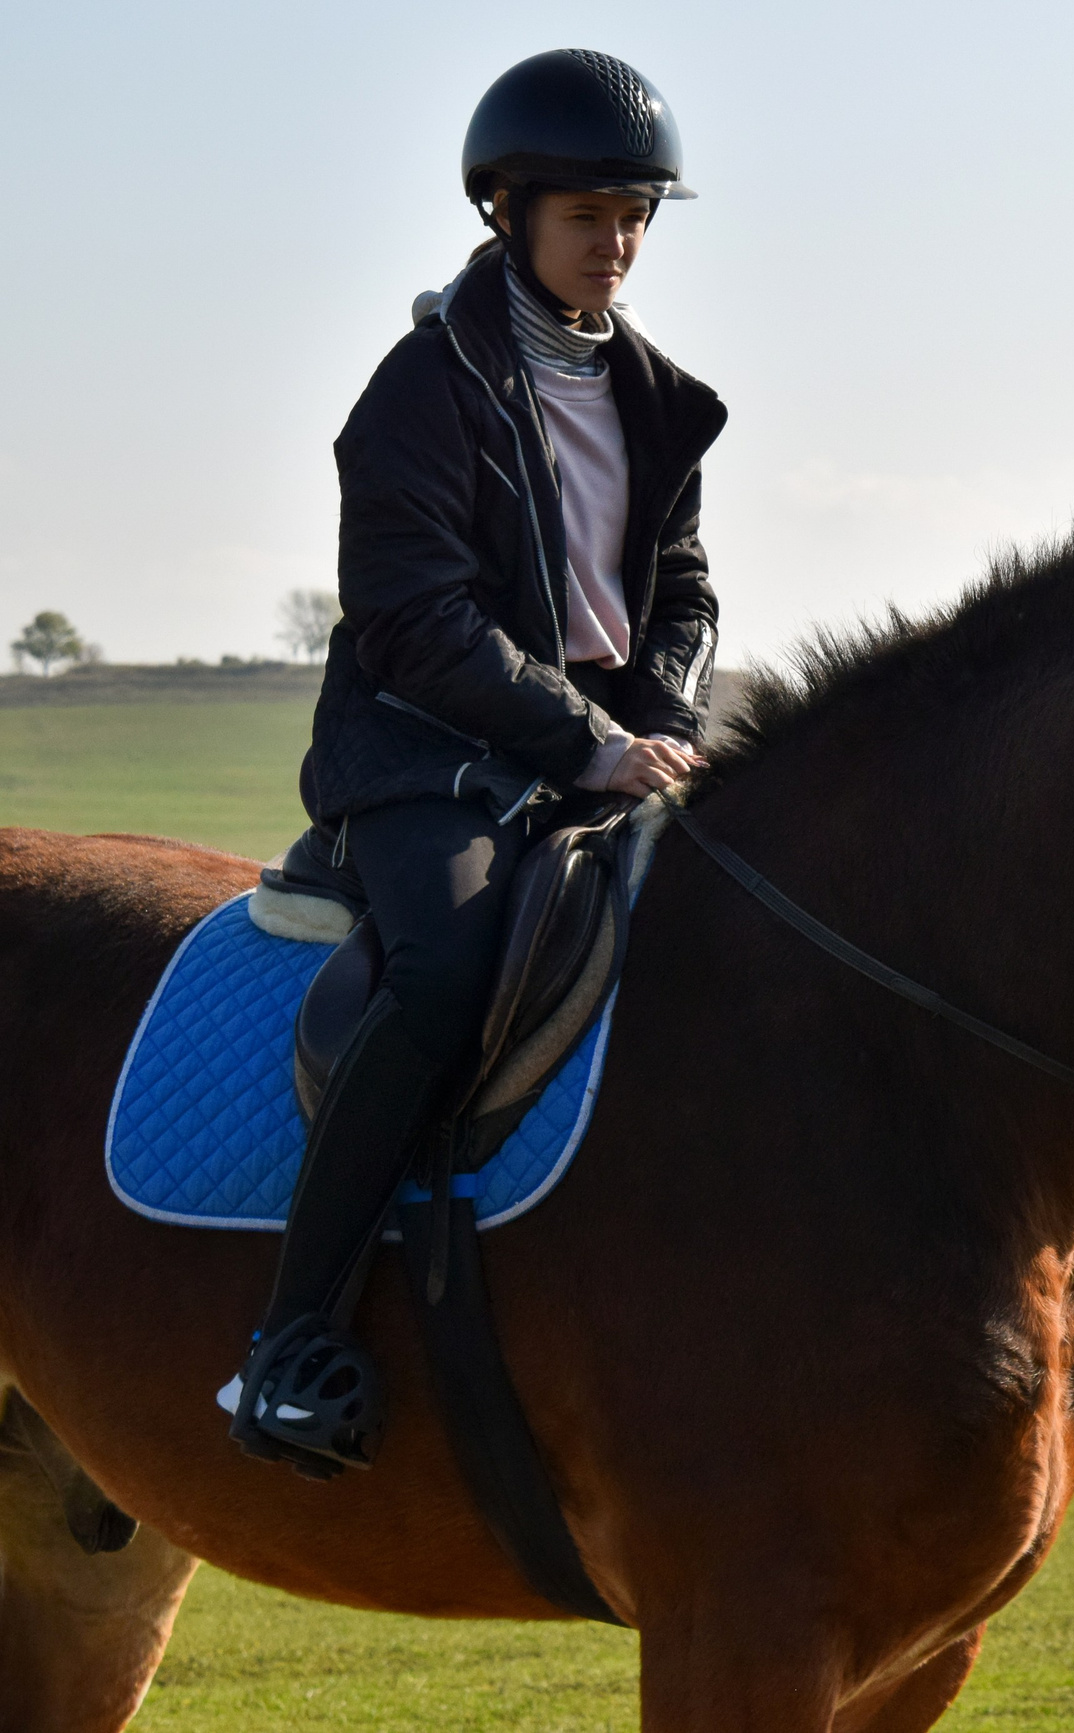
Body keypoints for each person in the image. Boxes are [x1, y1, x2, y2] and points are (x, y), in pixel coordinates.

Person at [222, 49, 727, 1475]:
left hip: (604, 751)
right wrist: (588, 739)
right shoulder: (420, 390)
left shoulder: (655, 398)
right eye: (589, 214)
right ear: (507, 210)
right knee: (442, 969)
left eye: (637, 215)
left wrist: (668, 705)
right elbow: (415, 623)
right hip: (423, 754)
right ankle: (287, 1343)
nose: (618, 243)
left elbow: (680, 582)